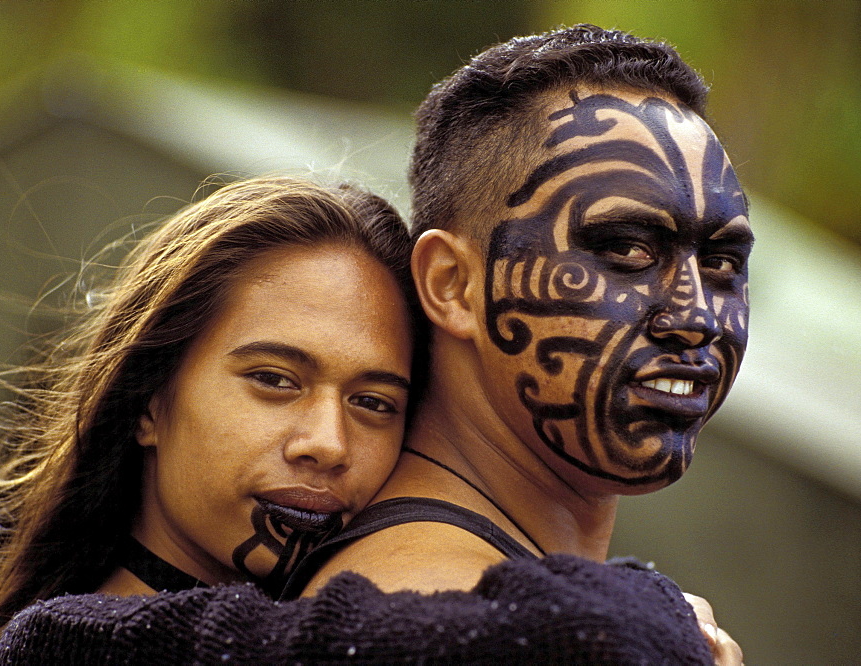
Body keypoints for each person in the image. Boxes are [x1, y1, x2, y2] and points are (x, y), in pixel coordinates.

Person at [288, 23, 750, 663]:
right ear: (453, 285)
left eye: (723, 264)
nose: (696, 317)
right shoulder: (450, 622)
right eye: (626, 250)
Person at [0, 176, 426, 664]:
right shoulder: (70, 647)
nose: (329, 443)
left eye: (374, 403)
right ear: (148, 398)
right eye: (274, 380)